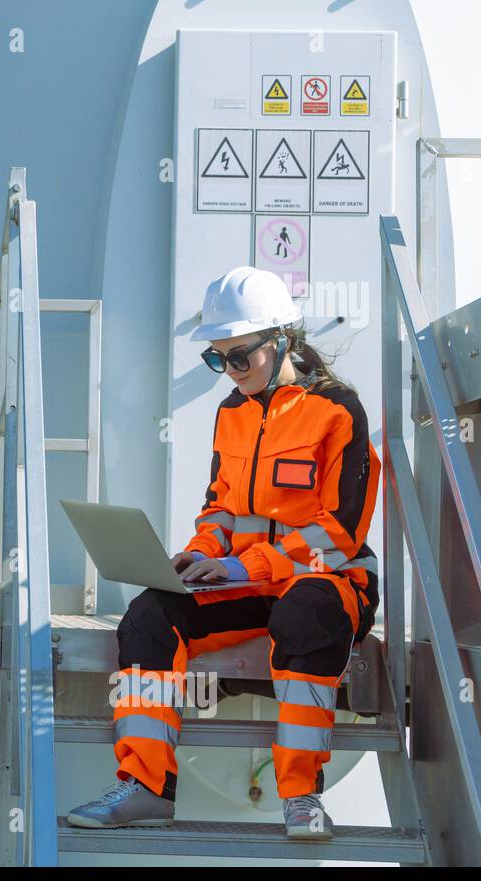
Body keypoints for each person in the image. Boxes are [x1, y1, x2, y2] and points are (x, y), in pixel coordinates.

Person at [66, 266, 380, 840]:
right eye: (217, 360)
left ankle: (301, 794)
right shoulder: (232, 414)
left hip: (329, 581)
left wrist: (245, 565)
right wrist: (196, 557)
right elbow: (220, 510)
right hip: (248, 582)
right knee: (148, 617)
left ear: (283, 338)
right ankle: (145, 787)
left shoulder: (339, 411)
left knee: (303, 612)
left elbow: (339, 532)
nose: (230, 373)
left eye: (239, 357)